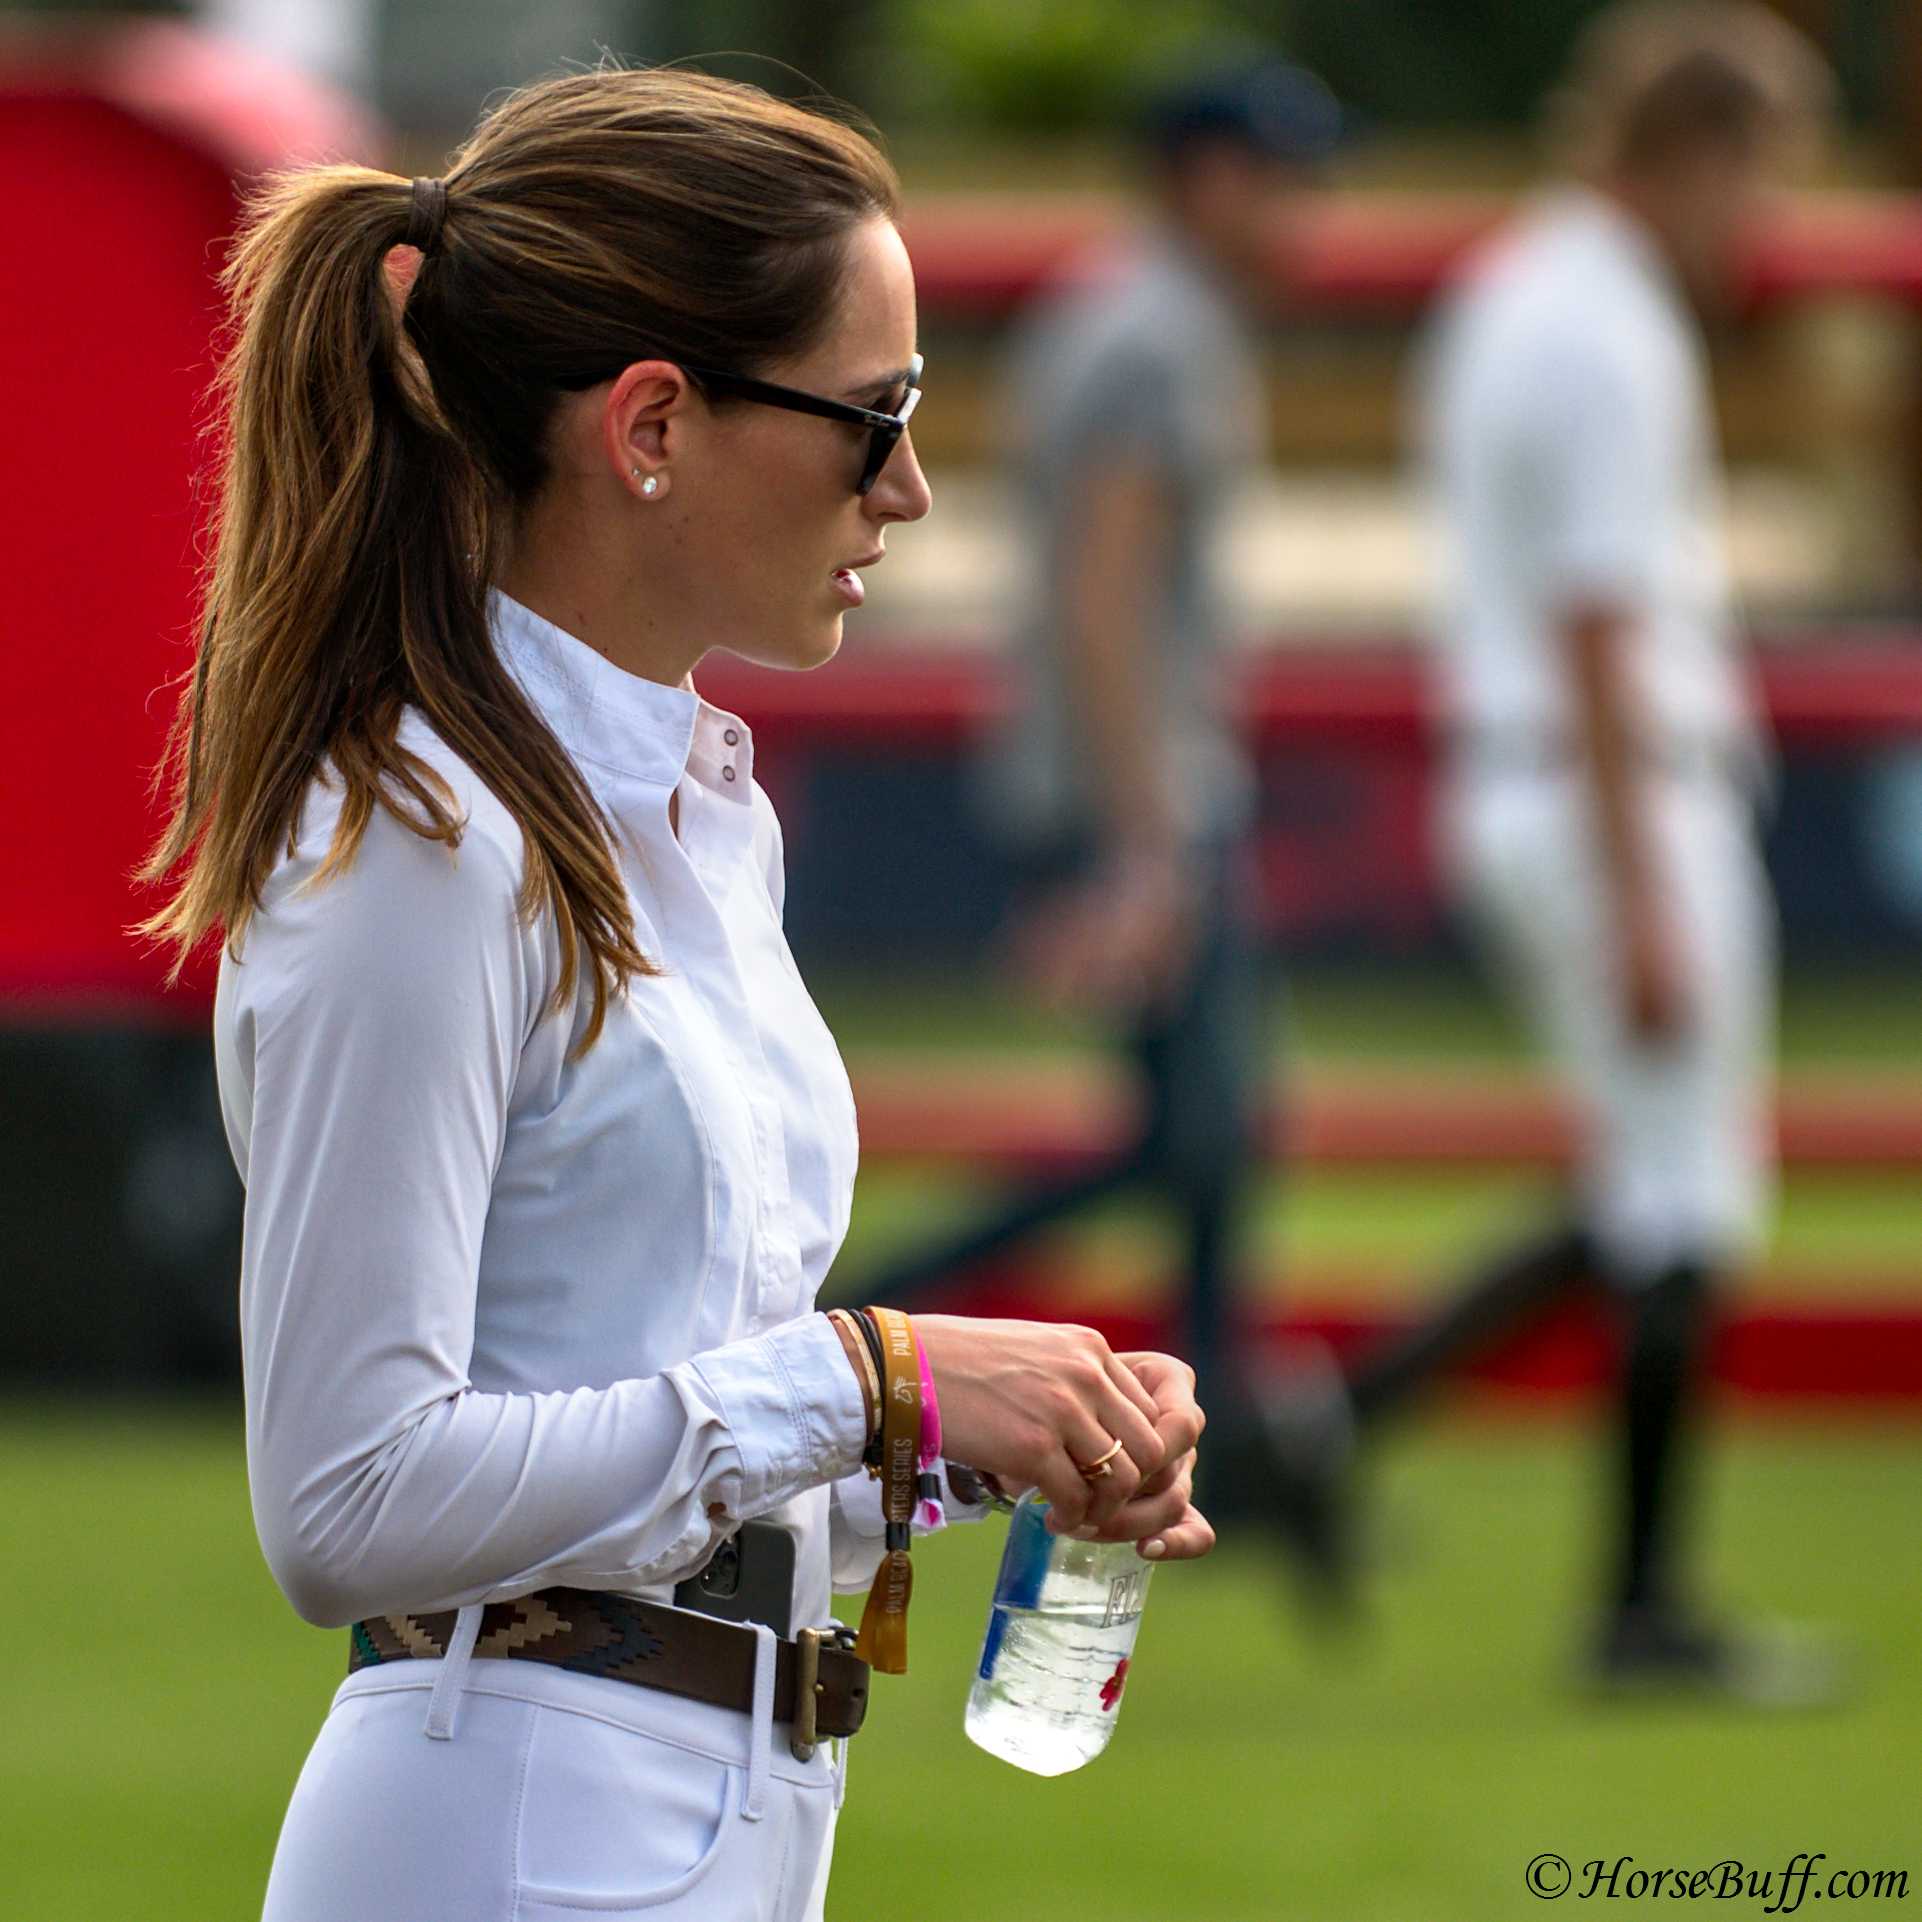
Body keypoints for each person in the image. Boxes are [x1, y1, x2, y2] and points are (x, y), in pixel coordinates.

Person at [140, 68, 1212, 1922]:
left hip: (701, 1820)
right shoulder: (415, 837)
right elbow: (349, 1498)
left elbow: (659, 1428)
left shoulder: (695, 824)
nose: (911, 485)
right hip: (512, 1834)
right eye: (871, 417)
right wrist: (872, 1372)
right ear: (651, 424)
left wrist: (975, 1438)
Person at [1282, 2, 1837, 1693]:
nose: (1769, 224)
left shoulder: (1517, 288)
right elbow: (1602, 618)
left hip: (1535, 776)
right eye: (1764, 175)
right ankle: (1639, 1609)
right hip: (1615, 785)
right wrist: (1651, 890)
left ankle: (1346, 1425)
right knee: (1682, 1201)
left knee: (1648, 1192)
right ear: (1696, 150)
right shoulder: (1605, 327)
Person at [864, 56, 1343, 1520]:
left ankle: (1222, 1438)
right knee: (1198, 1134)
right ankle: (873, 1326)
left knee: (1200, 1139)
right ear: (1205, 173)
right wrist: (1151, 840)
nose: (1307, 212)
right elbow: (1103, 592)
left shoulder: (1123, 310)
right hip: (1136, 784)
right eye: (1282, 175)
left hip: (1117, 776)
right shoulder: (1158, 335)